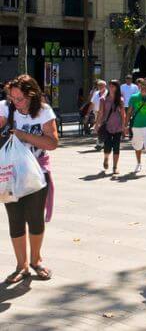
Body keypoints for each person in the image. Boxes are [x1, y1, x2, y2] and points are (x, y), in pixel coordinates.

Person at [0, 75, 59, 282]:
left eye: (21, 98)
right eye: (12, 97)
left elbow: (52, 143)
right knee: (15, 220)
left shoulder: (43, 112)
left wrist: (23, 136)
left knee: (35, 219)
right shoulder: (5, 109)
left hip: (36, 173)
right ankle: (21, 265)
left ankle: (36, 260)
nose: (16, 103)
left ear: (32, 95)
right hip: (10, 173)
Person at [94, 79, 126, 175]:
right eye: (110, 86)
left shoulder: (120, 99)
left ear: (117, 88)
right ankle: (106, 158)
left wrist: (124, 126)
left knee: (116, 147)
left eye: (113, 86)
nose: (111, 88)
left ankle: (115, 167)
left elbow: (123, 114)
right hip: (107, 126)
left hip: (118, 126)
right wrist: (97, 124)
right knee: (107, 147)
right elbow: (100, 113)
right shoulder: (103, 99)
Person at [89, 80, 108, 149]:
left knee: (102, 128)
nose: (100, 87)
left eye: (101, 85)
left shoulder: (107, 93)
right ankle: (101, 143)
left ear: (105, 86)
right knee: (99, 128)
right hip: (97, 112)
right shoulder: (96, 93)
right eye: (99, 85)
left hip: (105, 113)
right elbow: (92, 103)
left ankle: (100, 143)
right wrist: (87, 113)